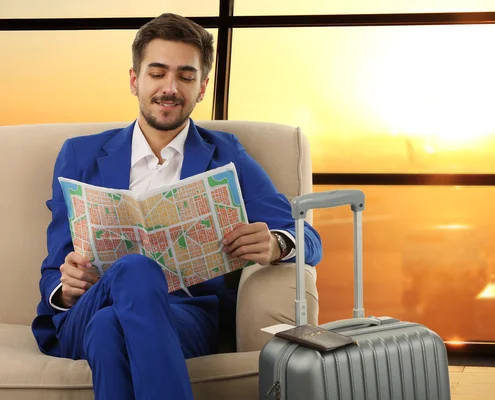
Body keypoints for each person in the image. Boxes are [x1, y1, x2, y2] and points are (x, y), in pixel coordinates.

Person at [31, 13, 322, 400]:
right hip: (84, 311)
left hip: (185, 316)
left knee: (108, 330)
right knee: (130, 274)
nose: (170, 88)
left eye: (185, 76)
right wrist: (64, 290)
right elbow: (55, 264)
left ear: (202, 87)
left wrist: (276, 244)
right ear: (135, 80)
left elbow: (308, 237)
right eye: (157, 73)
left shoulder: (226, 156)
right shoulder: (80, 155)